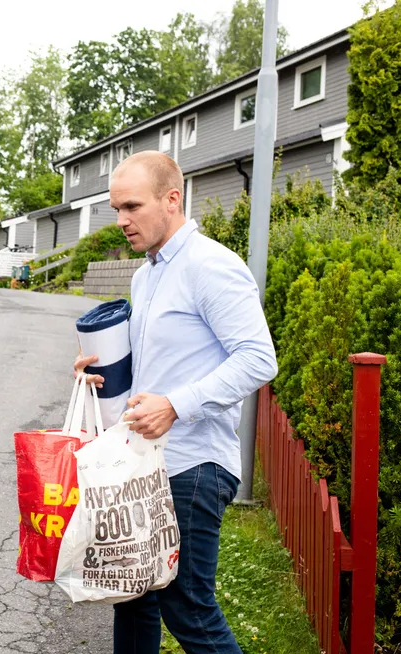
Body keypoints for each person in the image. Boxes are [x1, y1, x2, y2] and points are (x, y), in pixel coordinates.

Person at [74, 151, 278, 653]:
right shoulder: (146, 274)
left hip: (194, 462)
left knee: (186, 603)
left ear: (171, 199)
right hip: (143, 464)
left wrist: (176, 404)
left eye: (132, 206)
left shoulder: (212, 265)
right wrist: (95, 375)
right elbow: (155, 366)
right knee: (133, 595)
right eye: (115, 208)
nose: (121, 220)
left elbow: (258, 358)